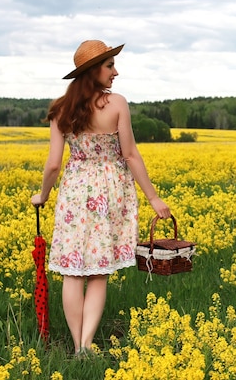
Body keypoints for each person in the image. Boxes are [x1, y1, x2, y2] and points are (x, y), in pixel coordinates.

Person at [31, 39, 170, 356]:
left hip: (75, 193)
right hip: (110, 193)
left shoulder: (60, 109)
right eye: (110, 66)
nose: (115, 72)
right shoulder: (117, 104)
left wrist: (42, 195)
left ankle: (77, 342)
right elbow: (131, 155)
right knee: (97, 273)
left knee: (71, 271)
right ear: (93, 71)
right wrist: (154, 199)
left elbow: (53, 163)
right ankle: (84, 345)